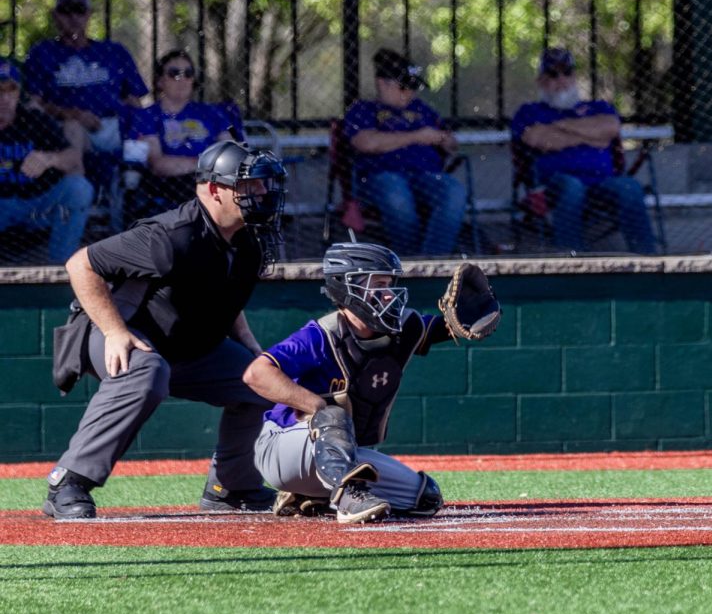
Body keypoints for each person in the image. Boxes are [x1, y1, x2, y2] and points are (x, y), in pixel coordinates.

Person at [43, 140, 288, 519]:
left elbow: (226, 300)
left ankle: (232, 488)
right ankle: (68, 481)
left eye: (262, 184)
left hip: (190, 348)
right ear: (213, 189)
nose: (260, 192)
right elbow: (80, 265)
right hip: (117, 334)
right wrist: (115, 332)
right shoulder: (170, 236)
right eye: (248, 185)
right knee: (147, 371)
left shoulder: (247, 240)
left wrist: (253, 349)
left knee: (262, 380)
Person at [244, 242, 458, 523]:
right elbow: (256, 373)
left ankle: (311, 495)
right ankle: (346, 499)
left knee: (424, 498)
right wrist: (316, 406)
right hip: (282, 448)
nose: (388, 295)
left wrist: (471, 315)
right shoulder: (322, 334)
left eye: (389, 284)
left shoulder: (402, 328)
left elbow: (446, 327)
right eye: (378, 285)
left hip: (334, 455)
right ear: (347, 287)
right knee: (331, 413)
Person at [510, 47, 656, 255]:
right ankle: (572, 259)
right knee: (572, 186)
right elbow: (538, 139)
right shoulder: (529, 112)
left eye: (567, 72)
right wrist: (590, 135)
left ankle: (647, 260)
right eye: (553, 74)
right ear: (541, 80)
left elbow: (611, 128)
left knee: (629, 186)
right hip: (553, 186)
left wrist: (556, 127)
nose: (562, 79)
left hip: (601, 183)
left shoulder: (598, 107)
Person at [343, 48, 466, 256]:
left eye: (414, 87)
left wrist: (444, 139)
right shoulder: (363, 109)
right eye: (404, 87)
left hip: (426, 175)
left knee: (454, 191)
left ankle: (432, 261)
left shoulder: (423, 110)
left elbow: (452, 143)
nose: (410, 93)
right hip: (380, 176)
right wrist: (417, 136)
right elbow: (366, 142)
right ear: (383, 83)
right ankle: (409, 261)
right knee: (397, 196)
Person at [23, 0, 149, 157]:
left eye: (79, 10)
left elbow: (134, 102)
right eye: (66, 11)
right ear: (55, 16)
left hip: (115, 126)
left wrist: (139, 130)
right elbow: (33, 105)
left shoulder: (113, 51)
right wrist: (71, 114)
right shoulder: (42, 52)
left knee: (144, 135)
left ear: (89, 14)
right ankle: (79, 179)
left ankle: (131, 180)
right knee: (72, 129)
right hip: (66, 127)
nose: (73, 17)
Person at [0, 57, 94, 263]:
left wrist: (48, 159)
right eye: (0, 91)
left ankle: (60, 269)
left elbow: (73, 158)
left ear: (19, 93)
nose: (5, 98)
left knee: (78, 188)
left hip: (39, 204)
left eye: (11, 90)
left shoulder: (33, 119)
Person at [126, 49, 235, 214]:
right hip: (171, 184)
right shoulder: (147, 116)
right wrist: (206, 164)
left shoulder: (213, 113)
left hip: (214, 180)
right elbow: (159, 164)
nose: (182, 80)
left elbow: (231, 153)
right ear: (160, 81)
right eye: (174, 73)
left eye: (188, 73)